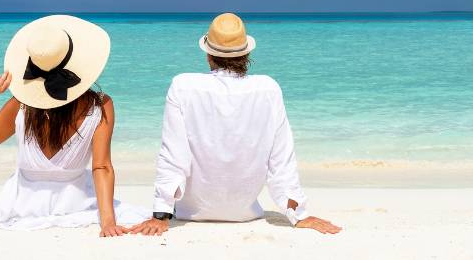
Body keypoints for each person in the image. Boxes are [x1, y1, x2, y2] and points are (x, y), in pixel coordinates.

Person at [131, 13, 342, 235]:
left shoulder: (183, 86)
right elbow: (281, 159)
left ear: (208, 54)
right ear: (247, 53)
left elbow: (173, 154)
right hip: (245, 214)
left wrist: (161, 214)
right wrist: (299, 215)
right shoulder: (268, 88)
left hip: (190, 213)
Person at [0, 15, 148, 236]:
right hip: (78, 203)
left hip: (21, 207)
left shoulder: (20, 105)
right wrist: (107, 221)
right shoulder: (100, 104)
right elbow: (102, 166)